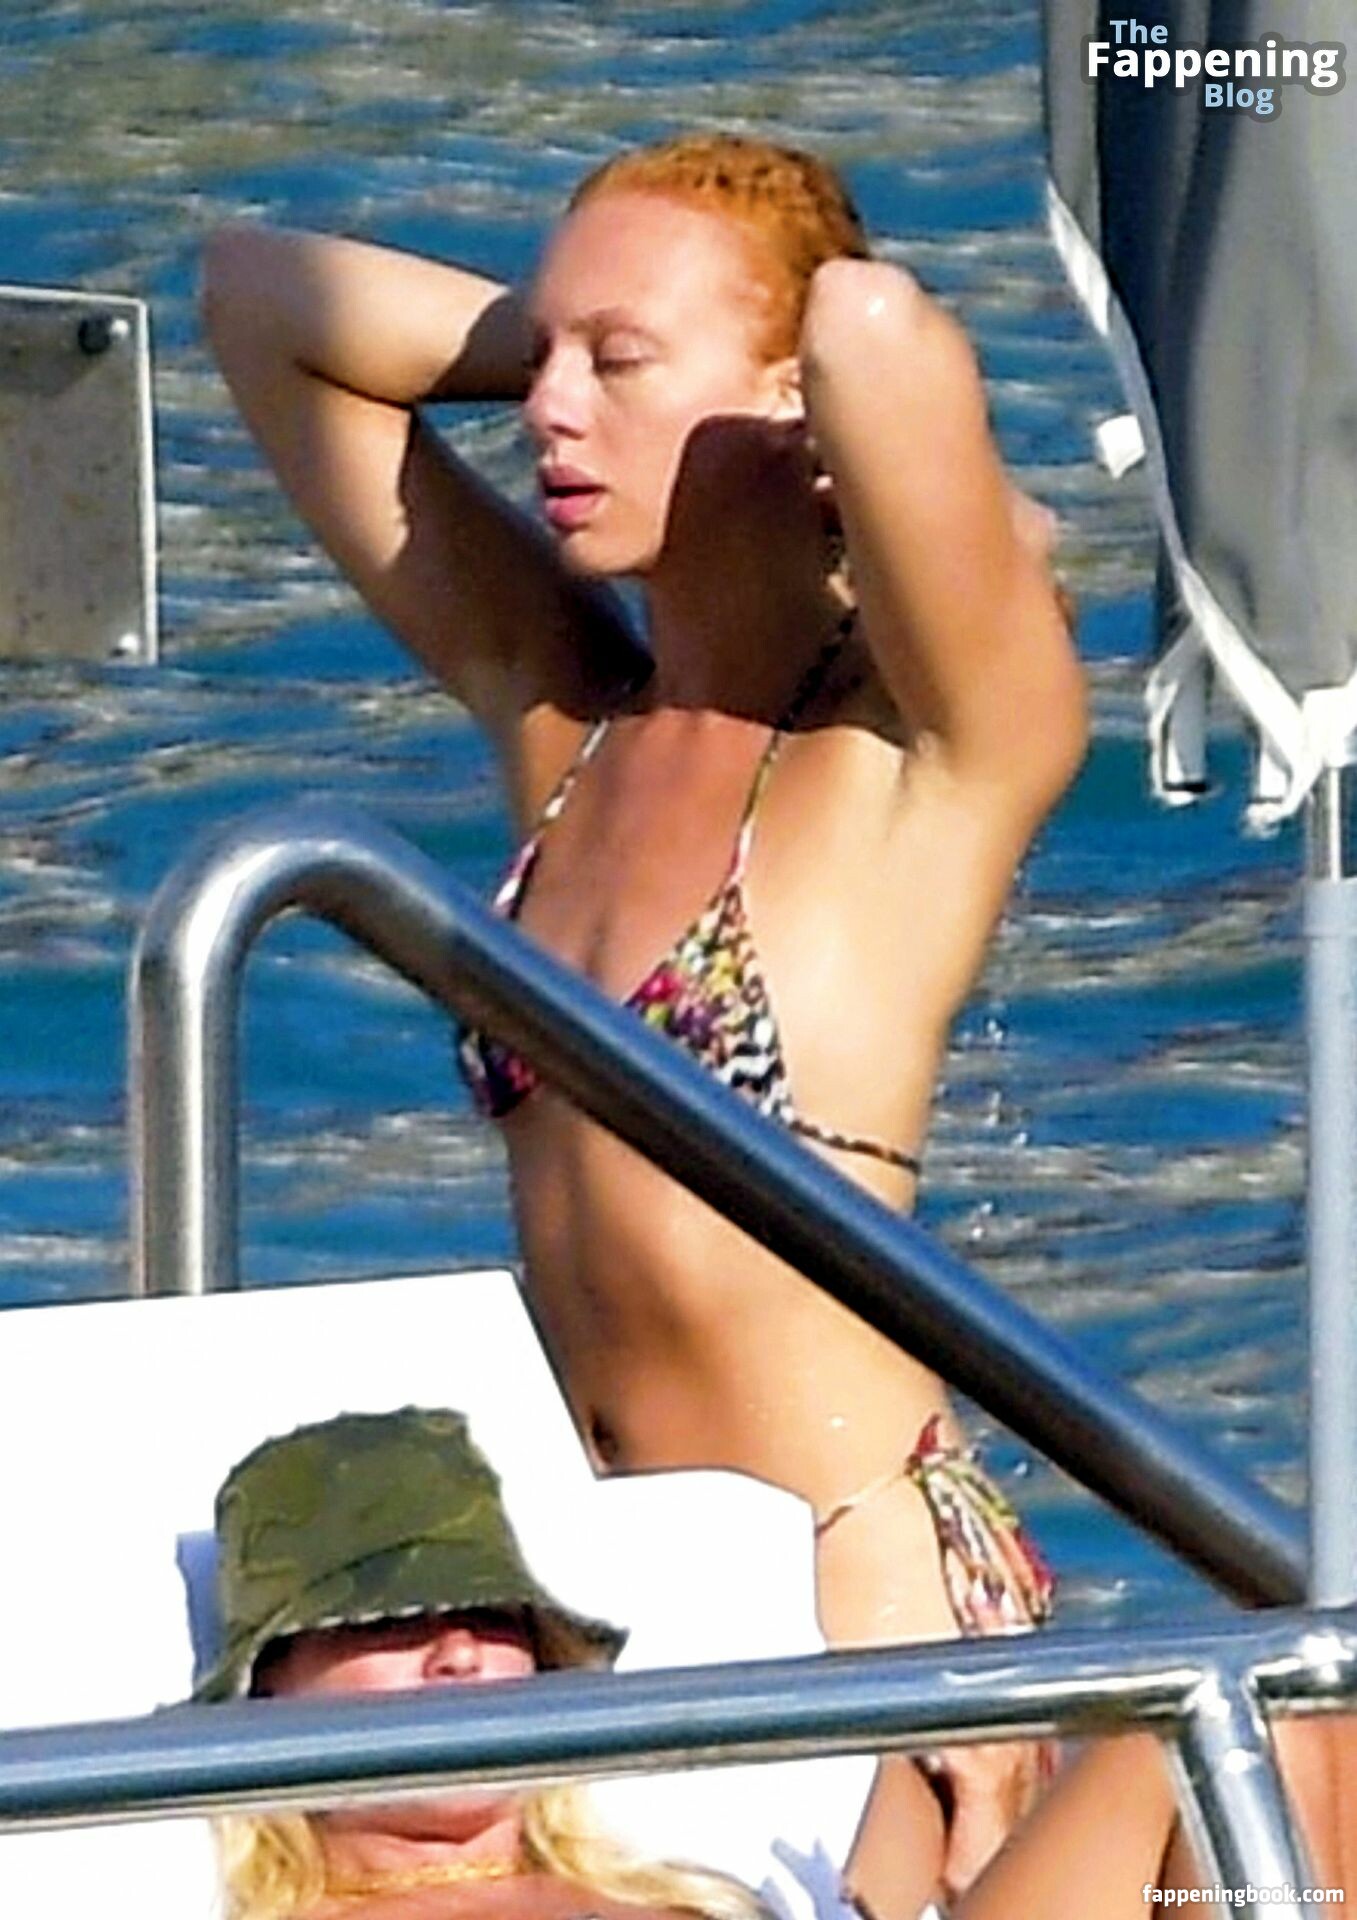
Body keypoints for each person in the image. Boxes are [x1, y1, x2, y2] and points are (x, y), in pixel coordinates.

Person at [201, 129, 1086, 1912]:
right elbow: (255, 297)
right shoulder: (566, 720)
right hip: (625, 1589)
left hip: (859, 1606)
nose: (550, 411)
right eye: (544, 363)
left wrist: (781, 378)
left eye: (618, 365)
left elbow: (878, 332)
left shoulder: (915, 756)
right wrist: (588, 331)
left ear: (789, 398)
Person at [200, 1406, 777, 1920]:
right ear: (268, 1686)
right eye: (390, 1622)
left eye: (489, 1614)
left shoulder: (703, 1908)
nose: (460, 1654)